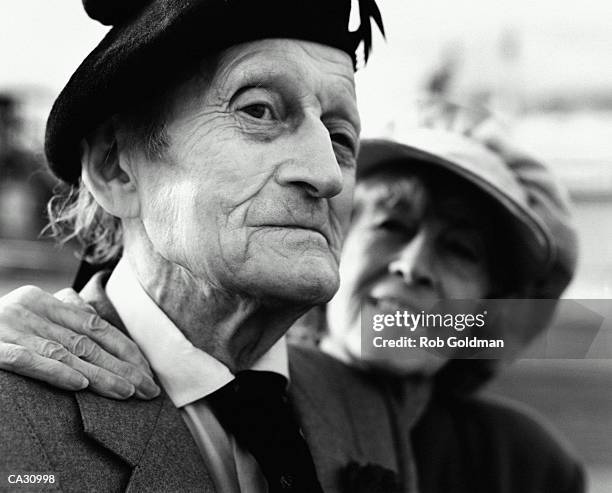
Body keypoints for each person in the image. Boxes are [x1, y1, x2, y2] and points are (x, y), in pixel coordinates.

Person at [0, 102, 586, 492]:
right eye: (391, 224)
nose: (412, 266)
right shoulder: (214, 380)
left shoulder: (524, 463)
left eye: (462, 250)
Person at [0, 1, 421, 492]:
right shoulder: (13, 428)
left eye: (341, 138)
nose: (326, 174)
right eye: (258, 110)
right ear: (115, 166)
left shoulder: (366, 409)